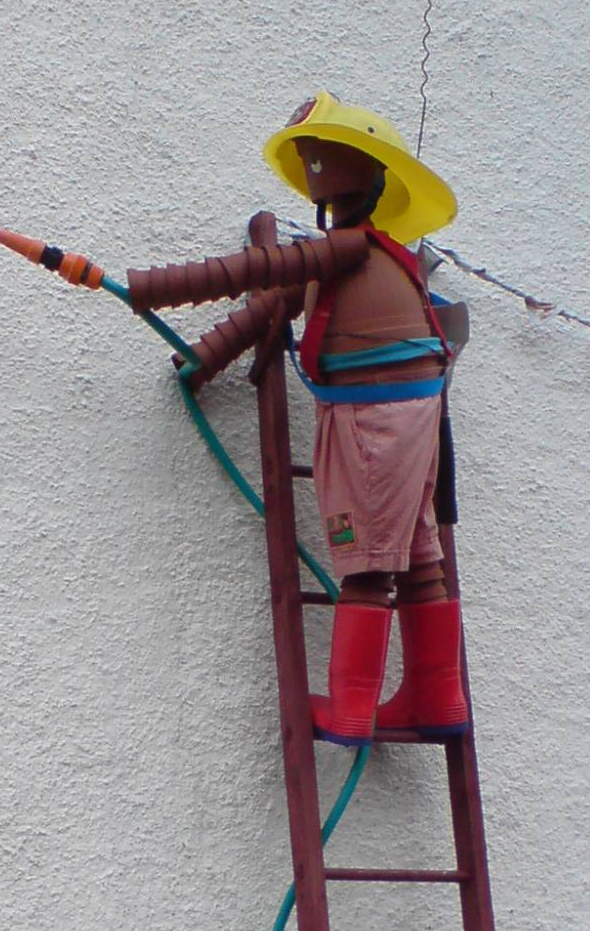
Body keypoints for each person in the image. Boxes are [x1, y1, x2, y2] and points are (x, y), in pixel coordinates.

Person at [124, 92, 471, 744]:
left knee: (367, 559)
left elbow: (255, 274)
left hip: (374, 423)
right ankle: (438, 696)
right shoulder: (361, 256)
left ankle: (351, 709)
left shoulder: (350, 250)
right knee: (418, 552)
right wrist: (205, 356)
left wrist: (149, 289)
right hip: (416, 414)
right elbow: (272, 299)